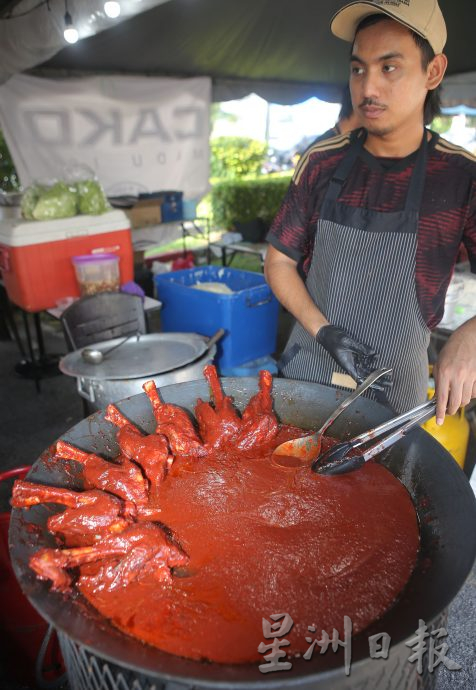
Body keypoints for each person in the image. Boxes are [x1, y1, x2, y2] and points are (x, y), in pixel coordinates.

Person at [264, 0, 476, 424]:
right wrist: (324, 331)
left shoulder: (460, 177)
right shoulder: (322, 162)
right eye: (358, 69)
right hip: (307, 378)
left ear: (432, 71)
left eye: (389, 68)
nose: (368, 88)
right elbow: (278, 261)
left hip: (394, 395)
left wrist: (472, 333)